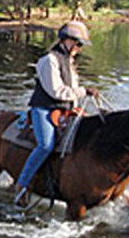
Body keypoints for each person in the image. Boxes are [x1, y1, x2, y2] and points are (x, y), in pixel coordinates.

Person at [14, 20, 98, 205]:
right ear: (66, 41)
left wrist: (76, 104)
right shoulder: (48, 61)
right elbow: (56, 91)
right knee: (46, 145)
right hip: (43, 108)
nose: (79, 48)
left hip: (64, 110)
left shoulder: (69, 62)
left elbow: (71, 88)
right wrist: (84, 91)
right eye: (78, 43)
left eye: (80, 44)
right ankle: (22, 184)